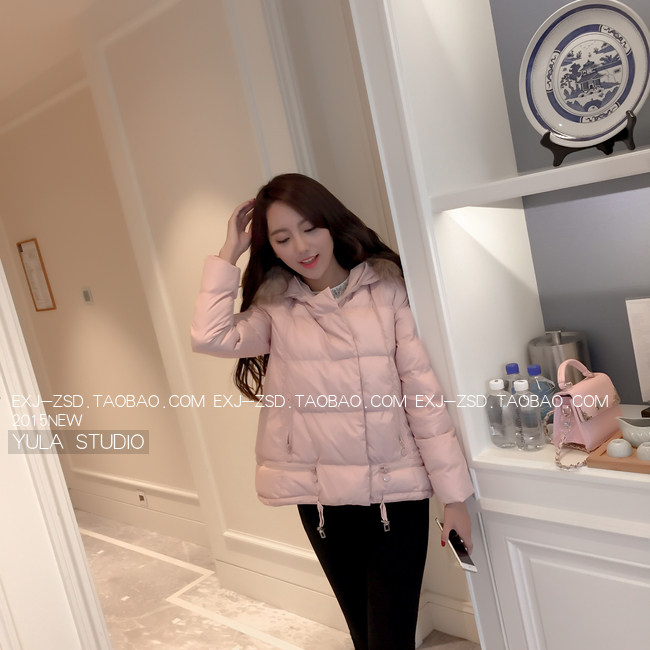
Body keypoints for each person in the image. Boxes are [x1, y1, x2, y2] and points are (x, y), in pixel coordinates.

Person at [191, 173, 474, 650]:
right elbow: (210, 336)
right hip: (322, 501)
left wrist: (455, 499)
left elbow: (422, 398)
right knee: (364, 635)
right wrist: (228, 253)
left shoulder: (387, 291)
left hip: (393, 497)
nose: (301, 246)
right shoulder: (276, 307)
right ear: (270, 248)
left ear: (331, 224)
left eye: (310, 228)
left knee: (390, 639)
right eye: (282, 238)